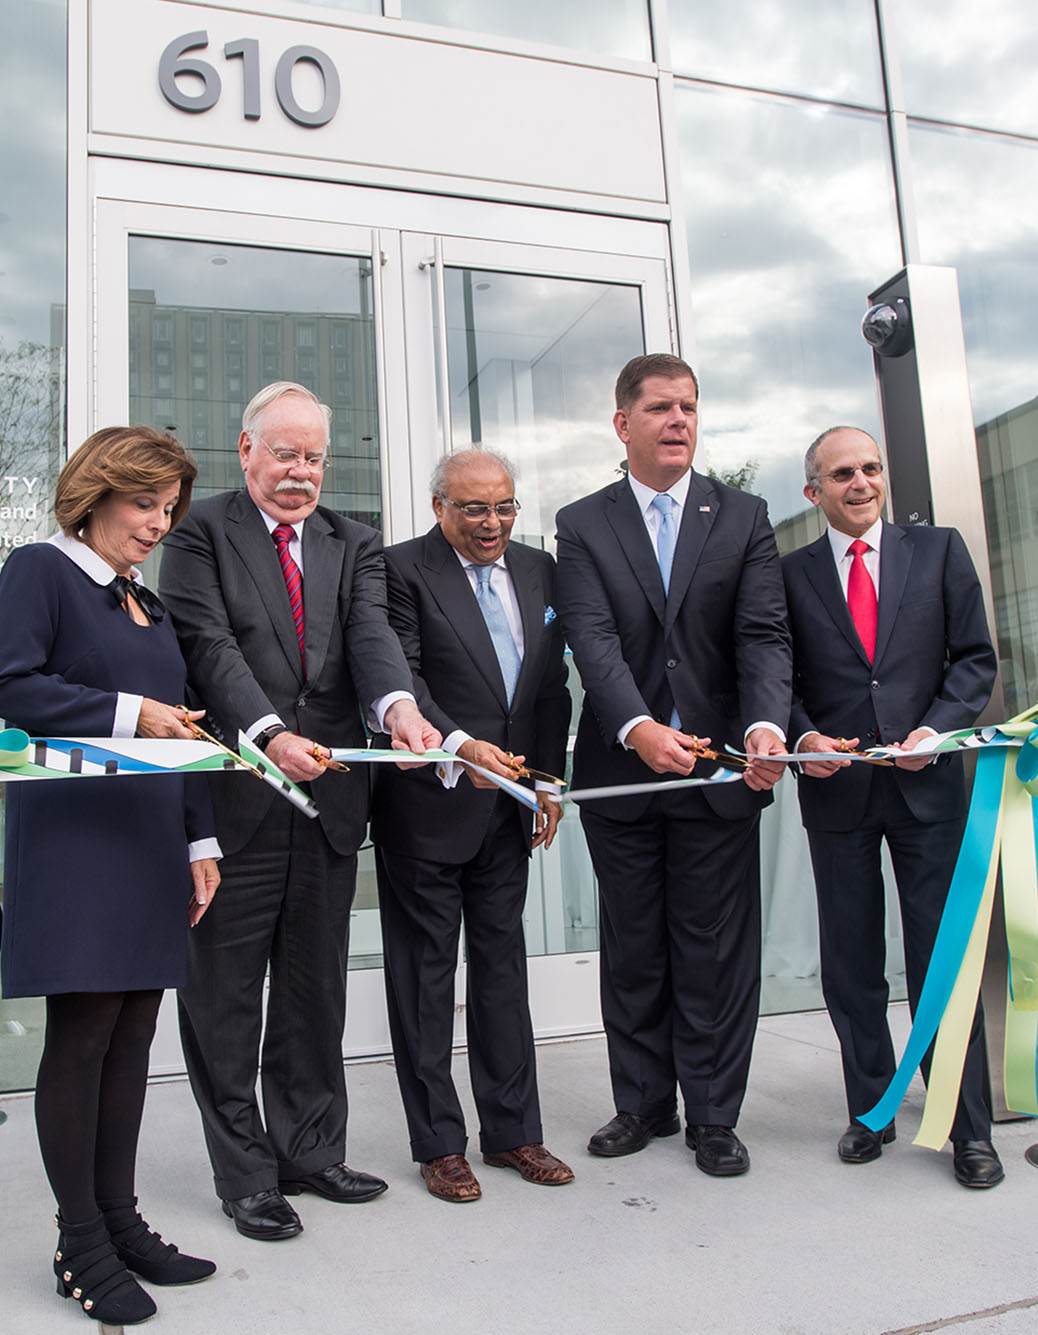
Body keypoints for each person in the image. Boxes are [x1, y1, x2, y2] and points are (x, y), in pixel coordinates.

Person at [159, 381, 442, 1240]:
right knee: (226, 998)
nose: (301, 472)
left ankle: (311, 1150)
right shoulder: (199, 533)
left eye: (315, 455)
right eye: (284, 453)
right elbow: (207, 648)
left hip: (327, 803)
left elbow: (371, 640)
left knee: (314, 992)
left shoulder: (353, 542)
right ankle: (244, 1173)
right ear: (246, 450)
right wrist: (270, 732)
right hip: (239, 796)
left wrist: (399, 709)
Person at [0, 425, 221, 1325]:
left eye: (168, 509)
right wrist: (130, 711)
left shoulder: (146, 606)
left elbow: (183, 729)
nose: (157, 523)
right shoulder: (40, 572)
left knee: (132, 1038)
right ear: (97, 494)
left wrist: (201, 844)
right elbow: (9, 687)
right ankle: (78, 1240)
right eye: (144, 504)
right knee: (81, 1038)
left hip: (152, 840)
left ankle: (120, 1222)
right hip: (78, 840)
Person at [553, 352, 790, 1178]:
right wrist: (639, 727)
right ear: (624, 424)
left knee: (713, 950)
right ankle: (644, 1104)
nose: (678, 420)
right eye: (659, 408)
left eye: (688, 406)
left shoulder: (744, 515)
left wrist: (764, 724)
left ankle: (715, 1117)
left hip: (721, 773)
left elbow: (761, 634)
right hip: (624, 773)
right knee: (636, 951)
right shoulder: (583, 522)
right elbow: (594, 638)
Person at [782, 426, 1003, 1189]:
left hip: (927, 787)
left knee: (940, 961)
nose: (861, 482)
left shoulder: (938, 551)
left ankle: (965, 1126)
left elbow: (974, 658)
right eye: (842, 473)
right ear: (815, 492)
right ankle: (871, 1110)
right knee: (851, 965)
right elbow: (775, 677)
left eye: (871, 467)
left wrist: (937, 729)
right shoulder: (790, 573)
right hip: (838, 791)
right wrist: (804, 734)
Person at [372, 449, 575, 1203]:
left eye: (504, 507)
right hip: (430, 804)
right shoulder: (397, 569)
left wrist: (547, 778)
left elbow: (550, 684)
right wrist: (460, 743)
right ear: (438, 508)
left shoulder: (538, 570)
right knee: (425, 981)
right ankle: (439, 1144)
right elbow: (405, 674)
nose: (492, 523)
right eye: (474, 509)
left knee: (501, 972)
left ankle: (515, 1131)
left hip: (509, 807)